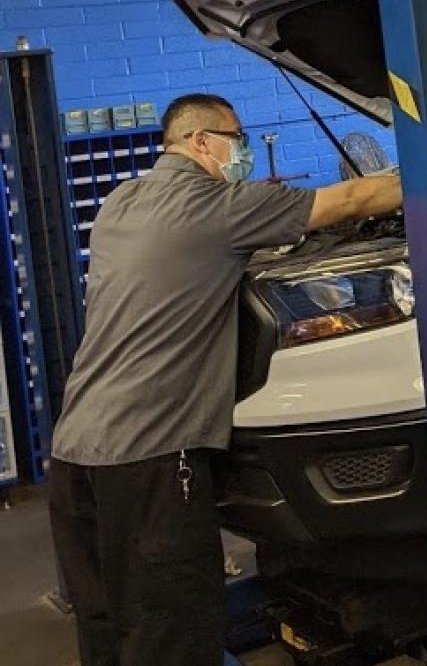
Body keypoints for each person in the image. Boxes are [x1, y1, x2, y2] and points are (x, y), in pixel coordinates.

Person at [46, 93, 403, 666]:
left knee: (107, 623)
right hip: (153, 458)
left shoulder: (119, 202)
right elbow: (355, 197)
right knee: (176, 626)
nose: (243, 152)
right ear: (202, 142)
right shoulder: (218, 206)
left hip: (74, 455)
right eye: (237, 140)